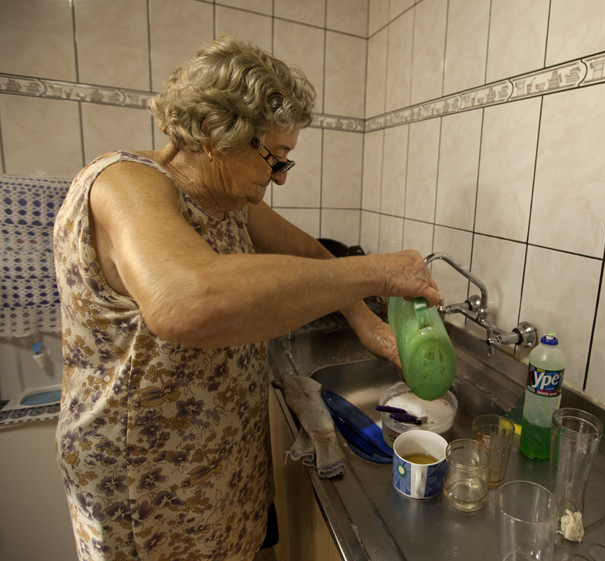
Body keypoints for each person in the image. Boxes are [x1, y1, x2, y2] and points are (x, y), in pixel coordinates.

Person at [53, 36, 439, 561]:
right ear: (213, 133)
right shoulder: (124, 184)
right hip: (146, 479)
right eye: (274, 157)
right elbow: (187, 301)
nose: (279, 178)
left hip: (219, 460)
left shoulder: (229, 199)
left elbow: (307, 254)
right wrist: (378, 273)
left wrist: (363, 319)